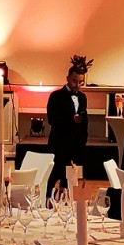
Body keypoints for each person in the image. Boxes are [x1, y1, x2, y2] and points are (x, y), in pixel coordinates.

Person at [45, 64, 89, 196]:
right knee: (53, 176)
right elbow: (52, 119)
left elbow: (84, 121)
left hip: (76, 144)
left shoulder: (82, 97)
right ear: (68, 78)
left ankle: (67, 203)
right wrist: (71, 119)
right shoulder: (56, 96)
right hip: (59, 143)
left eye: (80, 82)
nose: (77, 85)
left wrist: (83, 141)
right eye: (74, 81)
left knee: (71, 178)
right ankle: (47, 201)